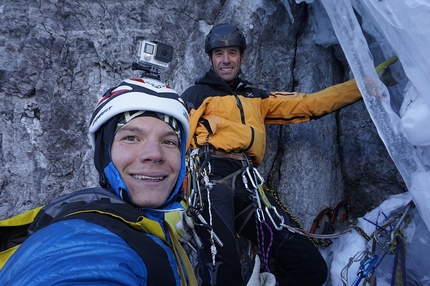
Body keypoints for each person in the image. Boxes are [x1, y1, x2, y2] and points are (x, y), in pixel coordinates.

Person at [180, 23, 364, 286]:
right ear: (210, 58)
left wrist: (362, 87)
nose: (226, 60)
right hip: (210, 177)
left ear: (242, 57)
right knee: (223, 266)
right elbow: (178, 141)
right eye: (219, 53)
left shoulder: (257, 98)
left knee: (311, 268)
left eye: (232, 52)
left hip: (247, 185)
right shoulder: (197, 95)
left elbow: (308, 105)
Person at [0, 77, 197, 285]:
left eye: (169, 141)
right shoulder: (84, 241)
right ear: (105, 154)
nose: (155, 154)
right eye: (131, 138)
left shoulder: (147, 222)